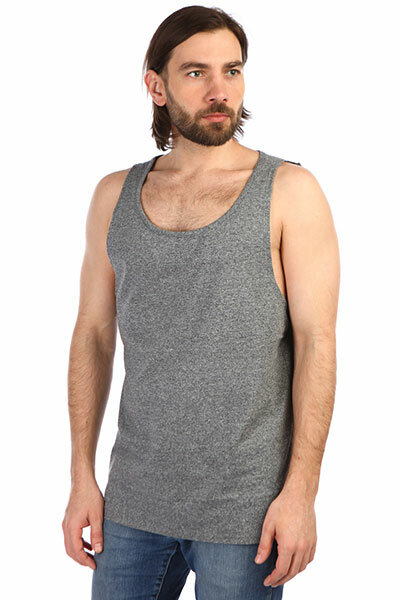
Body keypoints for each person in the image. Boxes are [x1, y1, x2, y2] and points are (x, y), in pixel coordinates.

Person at [62, 5, 340, 599]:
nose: (220, 91)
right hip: (132, 503)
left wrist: (302, 493)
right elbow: (92, 334)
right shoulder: (114, 195)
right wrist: (81, 476)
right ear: (156, 86)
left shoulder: (289, 192)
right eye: (196, 73)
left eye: (232, 70)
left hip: (247, 512)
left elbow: (317, 343)